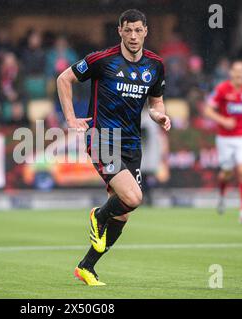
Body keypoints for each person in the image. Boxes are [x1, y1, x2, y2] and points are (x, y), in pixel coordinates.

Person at [57, 9, 170, 286]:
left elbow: (156, 102)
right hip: (102, 139)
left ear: (146, 32)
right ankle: (98, 215)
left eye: (138, 30)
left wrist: (160, 116)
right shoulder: (102, 60)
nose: (133, 36)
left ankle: (86, 267)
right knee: (133, 198)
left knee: (123, 212)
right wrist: (70, 118)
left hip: (132, 144)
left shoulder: (155, 65)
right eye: (128, 30)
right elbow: (64, 79)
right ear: (119, 30)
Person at [204, 60, 242, 223]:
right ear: (231, 73)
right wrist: (223, 120)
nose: (238, 74)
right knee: (226, 174)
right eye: (235, 71)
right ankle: (222, 195)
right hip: (225, 139)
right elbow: (207, 109)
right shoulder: (222, 89)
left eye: (241, 71)